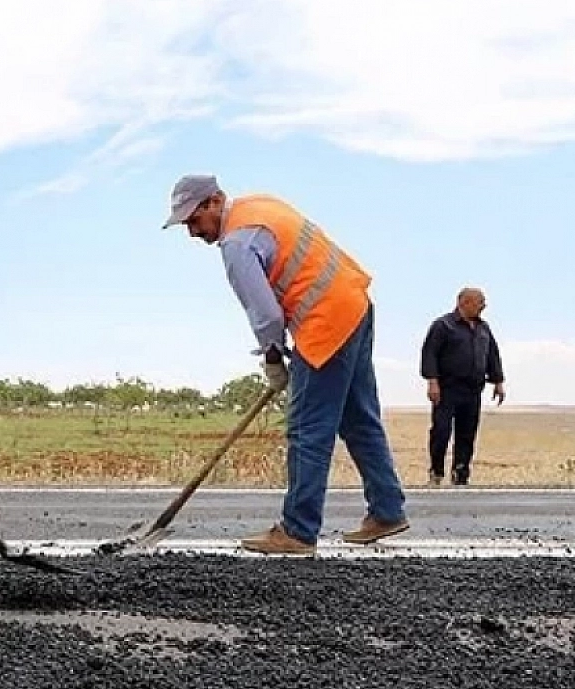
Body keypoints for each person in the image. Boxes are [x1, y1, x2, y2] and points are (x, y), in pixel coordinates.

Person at [162, 174, 410, 555]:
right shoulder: (260, 205)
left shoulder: (236, 244)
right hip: (355, 305)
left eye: (194, 220)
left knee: (307, 429)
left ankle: (298, 529)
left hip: (326, 322)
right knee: (359, 419)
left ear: (214, 201)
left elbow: (265, 314)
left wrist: (273, 356)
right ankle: (388, 510)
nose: (192, 232)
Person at [420, 286, 505, 486]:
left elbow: (492, 355)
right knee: (441, 430)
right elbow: (429, 353)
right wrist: (432, 382)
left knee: (467, 433)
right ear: (464, 302)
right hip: (447, 388)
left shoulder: (483, 328)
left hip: (473, 390)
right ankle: (436, 472)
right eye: (480, 302)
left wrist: (498, 381)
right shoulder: (443, 325)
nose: (484, 306)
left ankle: (461, 474)